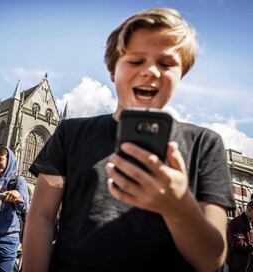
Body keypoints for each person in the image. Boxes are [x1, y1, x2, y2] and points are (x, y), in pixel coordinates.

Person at [24, 8, 235, 272]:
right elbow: (42, 215)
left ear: (182, 73)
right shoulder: (70, 133)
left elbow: (211, 260)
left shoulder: (205, 144)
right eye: (136, 61)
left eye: (166, 63)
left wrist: (178, 207)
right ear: (112, 70)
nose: (150, 71)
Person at [227, 201, 253, 272]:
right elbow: (238, 244)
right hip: (239, 266)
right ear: (249, 210)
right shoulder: (236, 223)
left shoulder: (250, 223)